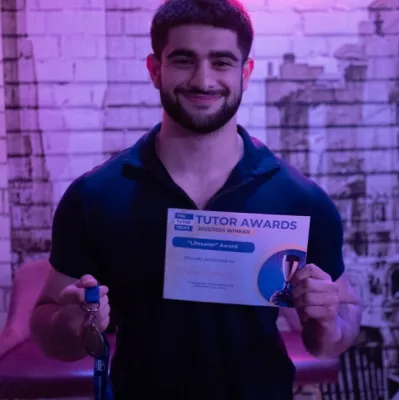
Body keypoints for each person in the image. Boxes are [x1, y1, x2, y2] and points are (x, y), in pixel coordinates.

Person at [30, 0, 361, 399]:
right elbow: (49, 328)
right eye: (184, 60)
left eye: (221, 62)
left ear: (246, 72)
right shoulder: (95, 195)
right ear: (156, 70)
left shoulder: (300, 199)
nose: (203, 80)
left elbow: (336, 333)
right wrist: (73, 322)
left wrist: (326, 320)